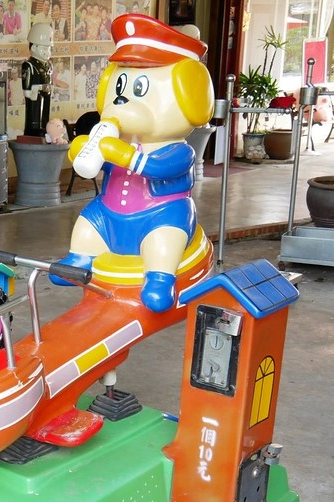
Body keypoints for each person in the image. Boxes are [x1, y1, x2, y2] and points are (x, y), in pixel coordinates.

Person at [57, 14, 214, 312]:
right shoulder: (117, 138)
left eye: (138, 91)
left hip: (159, 215)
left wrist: (123, 154)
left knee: (164, 238)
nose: (121, 102)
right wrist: (84, 151)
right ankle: (78, 258)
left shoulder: (178, 150)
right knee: (88, 222)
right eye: (118, 90)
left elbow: (156, 168)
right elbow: (102, 166)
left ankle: (159, 278)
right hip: (110, 212)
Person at [21, 22, 54, 137]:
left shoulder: (48, 65)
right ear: (34, 47)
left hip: (46, 98)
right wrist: (41, 87)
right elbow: (27, 92)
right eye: (45, 48)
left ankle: (45, 128)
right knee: (34, 120)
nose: (48, 52)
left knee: (45, 120)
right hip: (35, 101)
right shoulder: (29, 65)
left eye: (49, 48)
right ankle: (34, 130)